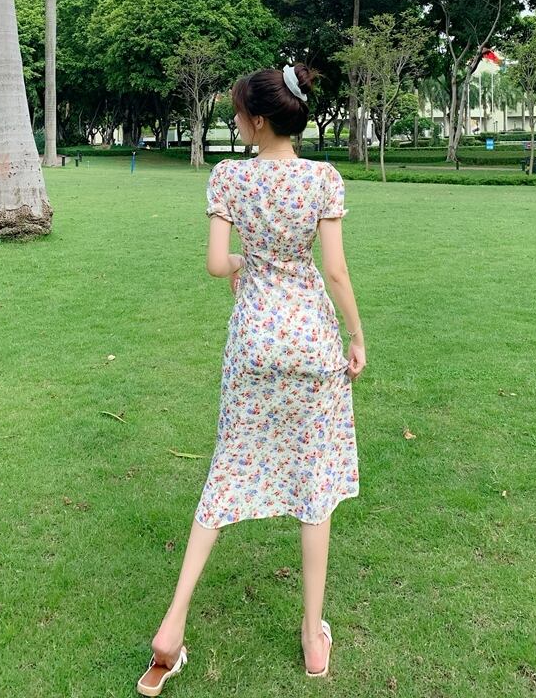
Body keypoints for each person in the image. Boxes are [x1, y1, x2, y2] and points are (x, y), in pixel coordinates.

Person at [136, 63, 366, 695]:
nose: (235, 120)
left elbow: (217, 264)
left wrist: (244, 258)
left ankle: (171, 629)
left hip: (254, 344)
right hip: (312, 341)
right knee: (314, 482)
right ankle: (313, 636)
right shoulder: (322, 178)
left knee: (228, 469)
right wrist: (356, 335)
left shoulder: (229, 177)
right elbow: (336, 271)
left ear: (258, 121)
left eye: (238, 112)